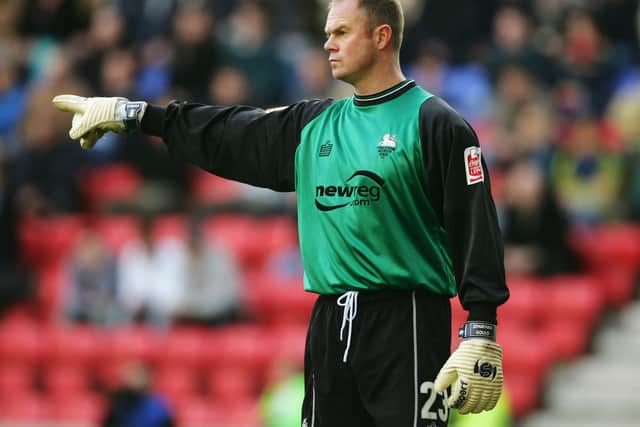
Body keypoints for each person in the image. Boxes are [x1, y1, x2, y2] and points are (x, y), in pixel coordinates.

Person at [52, 0, 509, 425]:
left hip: (404, 319)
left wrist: (480, 326)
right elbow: (229, 132)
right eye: (327, 32)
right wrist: (136, 115)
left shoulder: (436, 123)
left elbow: (475, 223)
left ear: (382, 36)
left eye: (342, 32)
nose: (327, 42)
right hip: (330, 321)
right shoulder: (315, 125)